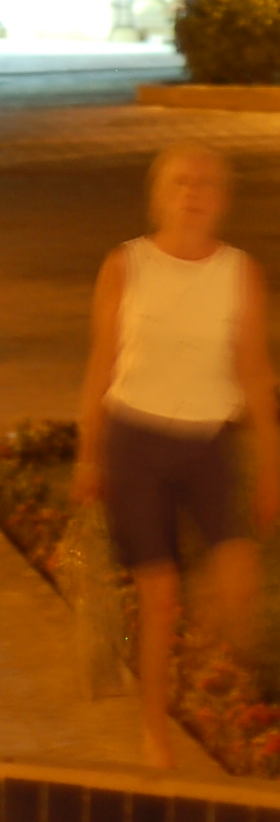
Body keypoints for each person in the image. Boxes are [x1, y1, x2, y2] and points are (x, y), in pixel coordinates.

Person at [74, 142, 279, 771]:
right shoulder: (126, 265)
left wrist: (270, 465)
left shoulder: (240, 272)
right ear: (158, 195)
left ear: (223, 200)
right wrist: (88, 456)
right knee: (160, 597)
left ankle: (191, 677)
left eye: (206, 183)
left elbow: (255, 374)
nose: (193, 194)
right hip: (136, 442)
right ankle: (155, 734)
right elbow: (101, 364)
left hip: (209, 445)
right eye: (181, 182)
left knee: (238, 586)